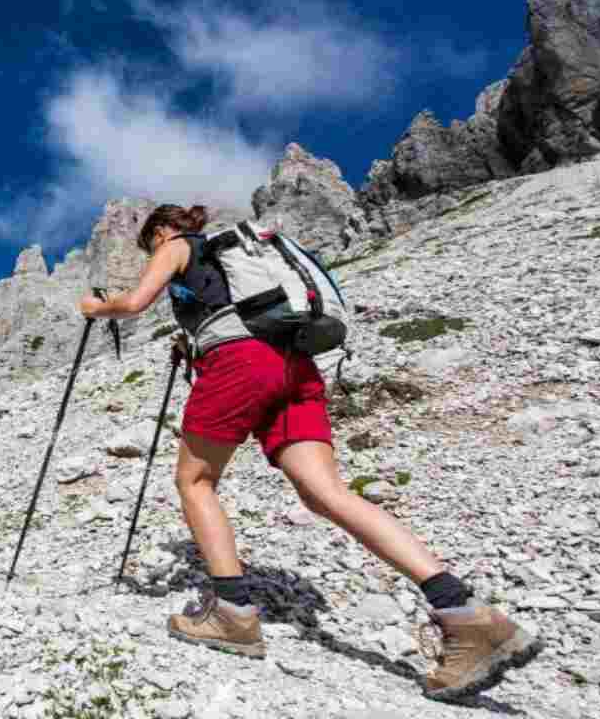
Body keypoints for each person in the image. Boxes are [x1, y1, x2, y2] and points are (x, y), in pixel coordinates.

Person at [78, 204, 541, 702]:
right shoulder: (233, 264)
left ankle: (233, 613)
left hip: (240, 365)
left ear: (161, 231)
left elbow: (134, 302)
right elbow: (230, 315)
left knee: (195, 482)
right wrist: (195, 344)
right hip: (294, 365)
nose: (153, 252)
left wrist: (96, 307)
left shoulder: (177, 245)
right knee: (326, 492)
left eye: (150, 244)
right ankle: (462, 611)